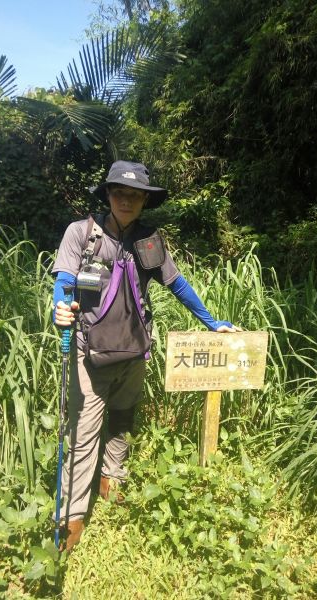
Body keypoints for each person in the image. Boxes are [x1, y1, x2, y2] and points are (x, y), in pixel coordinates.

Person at [53, 160, 240, 551]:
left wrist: (211, 322)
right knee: (84, 433)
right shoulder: (82, 234)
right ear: (108, 194)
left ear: (143, 201)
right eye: (120, 192)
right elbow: (65, 281)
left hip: (136, 352)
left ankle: (112, 482)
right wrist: (60, 306)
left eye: (135, 195)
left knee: (122, 418)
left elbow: (177, 284)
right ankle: (70, 519)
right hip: (90, 353)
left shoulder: (148, 240)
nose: (126, 200)